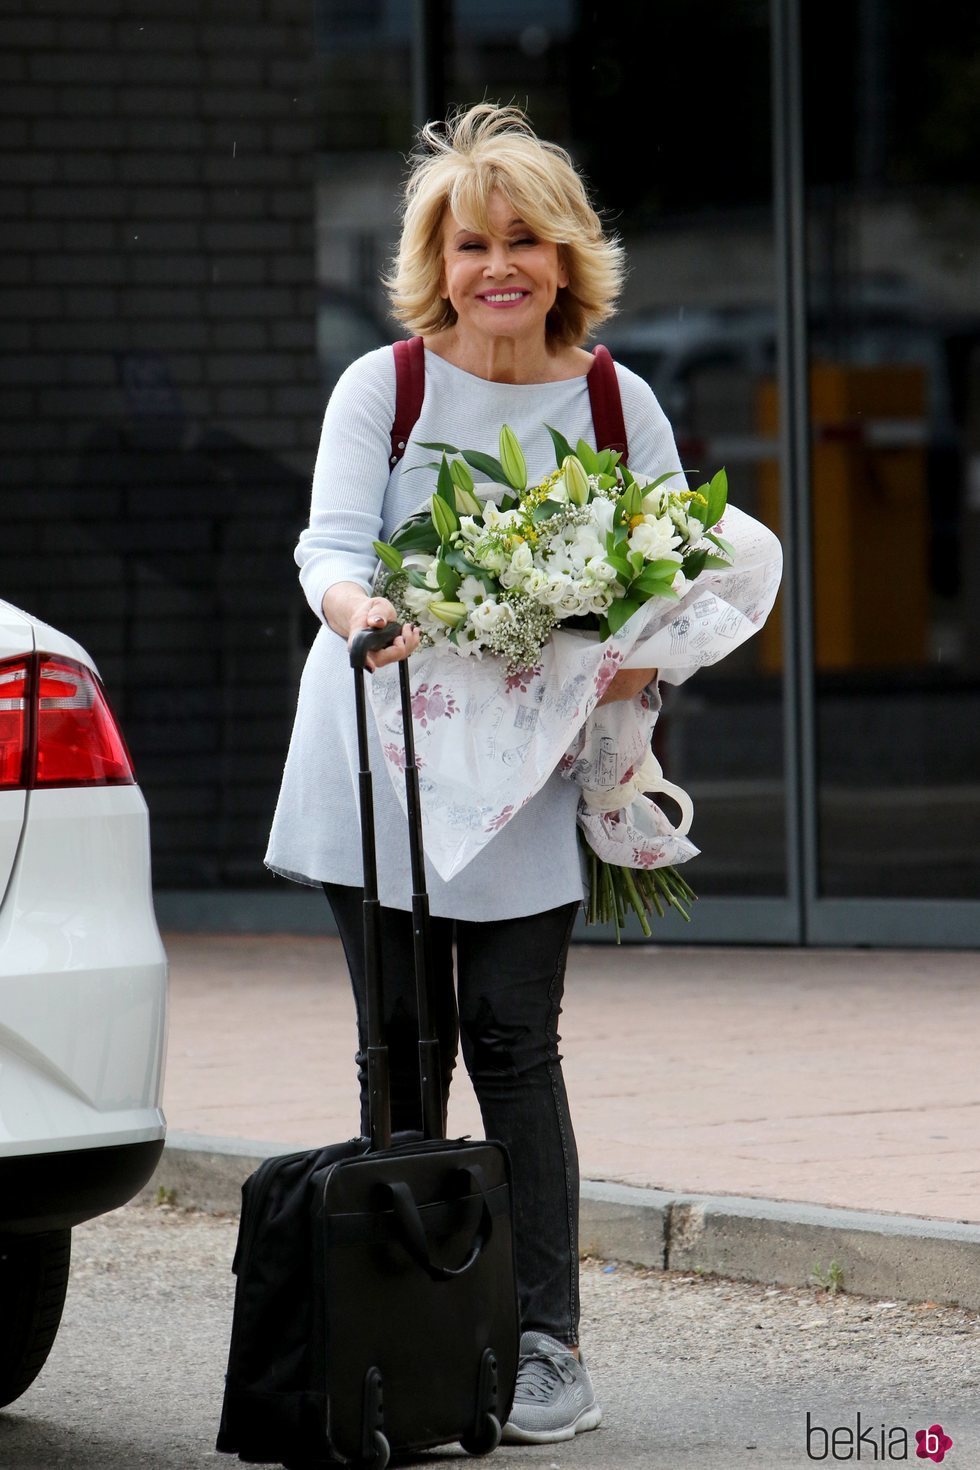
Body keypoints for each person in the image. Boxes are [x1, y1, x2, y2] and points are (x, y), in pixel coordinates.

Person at [266, 102, 682, 1444]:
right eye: (469, 244)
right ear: (433, 261)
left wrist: (634, 668)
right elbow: (328, 547)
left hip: (520, 780)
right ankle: (414, 1336)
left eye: (525, 241)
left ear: (565, 257)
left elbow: (673, 588)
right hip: (378, 763)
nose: (498, 267)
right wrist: (359, 613)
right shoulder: (382, 390)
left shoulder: (618, 401)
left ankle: (546, 1345)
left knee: (515, 1040)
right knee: (405, 1044)